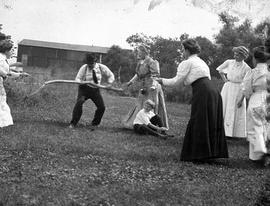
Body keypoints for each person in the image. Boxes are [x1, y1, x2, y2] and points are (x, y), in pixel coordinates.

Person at [157, 38, 228, 162]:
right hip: (213, 91)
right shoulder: (201, 61)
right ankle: (209, 154)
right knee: (209, 120)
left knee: (199, 120)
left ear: (188, 50)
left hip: (203, 91)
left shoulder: (187, 62)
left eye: (183, 50)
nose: (183, 53)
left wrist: (161, 80)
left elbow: (176, 81)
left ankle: (198, 155)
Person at [123, 45, 169, 130]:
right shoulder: (140, 63)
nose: (138, 54)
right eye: (138, 52)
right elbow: (137, 75)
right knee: (140, 104)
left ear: (144, 52)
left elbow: (155, 75)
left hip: (152, 86)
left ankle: (154, 125)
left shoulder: (152, 62)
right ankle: (141, 123)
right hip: (144, 86)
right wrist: (130, 82)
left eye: (139, 52)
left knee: (151, 104)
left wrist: (154, 85)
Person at [238, 46, 270, 166]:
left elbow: (246, 89)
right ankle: (266, 150)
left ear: (255, 59)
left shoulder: (252, 72)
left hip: (256, 99)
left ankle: (259, 154)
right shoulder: (268, 72)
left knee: (255, 127)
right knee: (266, 126)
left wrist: (247, 95)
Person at [69, 53, 115, 130]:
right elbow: (77, 78)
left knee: (101, 107)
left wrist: (109, 83)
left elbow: (111, 75)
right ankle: (73, 123)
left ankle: (94, 124)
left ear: (95, 62)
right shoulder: (84, 67)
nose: (90, 66)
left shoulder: (101, 67)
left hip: (95, 90)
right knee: (79, 102)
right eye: (88, 64)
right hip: (84, 89)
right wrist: (81, 82)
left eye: (91, 64)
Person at [216, 46, 251, 139]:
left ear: (243, 56)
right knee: (224, 107)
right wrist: (225, 80)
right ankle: (221, 131)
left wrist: (241, 99)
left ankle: (234, 133)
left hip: (239, 90)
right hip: (228, 87)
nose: (235, 56)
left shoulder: (247, 68)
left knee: (235, 109)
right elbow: (220, 70)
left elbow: (246, 85)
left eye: (238, 54)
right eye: (235, 53)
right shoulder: (229, 62)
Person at [0, 40, 28, 127]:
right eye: (12, 50)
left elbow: (7, 72)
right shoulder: (1, 59)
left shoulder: (2, 59)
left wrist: (20, 74)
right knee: (2, 104)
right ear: (6, 50)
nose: (13, 52)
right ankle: (5, 124)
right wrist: (19, 74)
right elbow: (6, 73)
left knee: (2, 103)